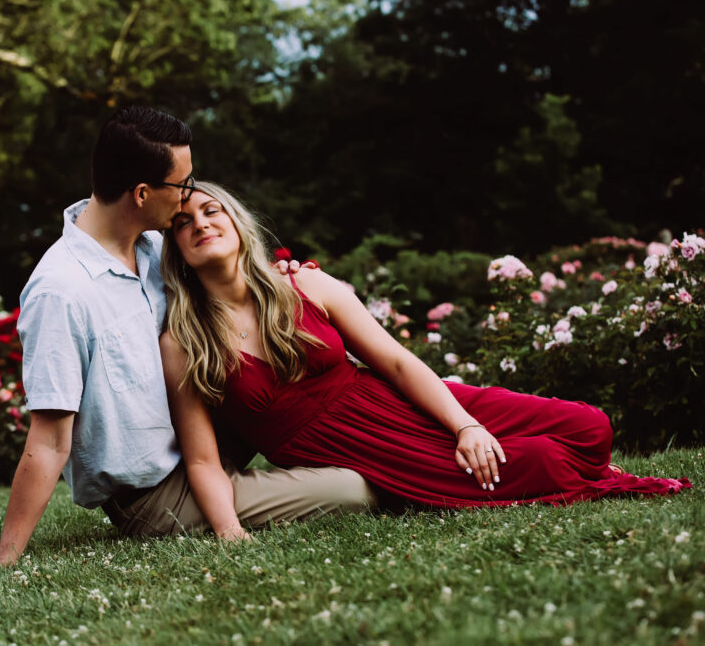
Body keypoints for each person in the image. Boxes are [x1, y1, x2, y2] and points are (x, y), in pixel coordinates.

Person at [159, 182, 691, 541]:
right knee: (547, 463)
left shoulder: (303, 283)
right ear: (176, 249)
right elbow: (204, 459)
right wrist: (230, 533)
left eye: (212, 210)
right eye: (184, 223)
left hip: (389, 396)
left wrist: (465, 425)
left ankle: (516, 448)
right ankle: (537, 472)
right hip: (365, 450)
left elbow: (395, 361)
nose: (202, 224)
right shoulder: (184, 341)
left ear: (237, 221)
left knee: (589, 426)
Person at [0, 107, 376, 566]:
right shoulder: (62, 292)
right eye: (181, 185)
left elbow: (229, 280)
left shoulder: (156, 247)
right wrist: (6, 561)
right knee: (355, 489)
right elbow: (49, 441)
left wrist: (278, 278)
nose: (188, 196)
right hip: (157, 494)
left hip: (215, 436)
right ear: (141, 193)